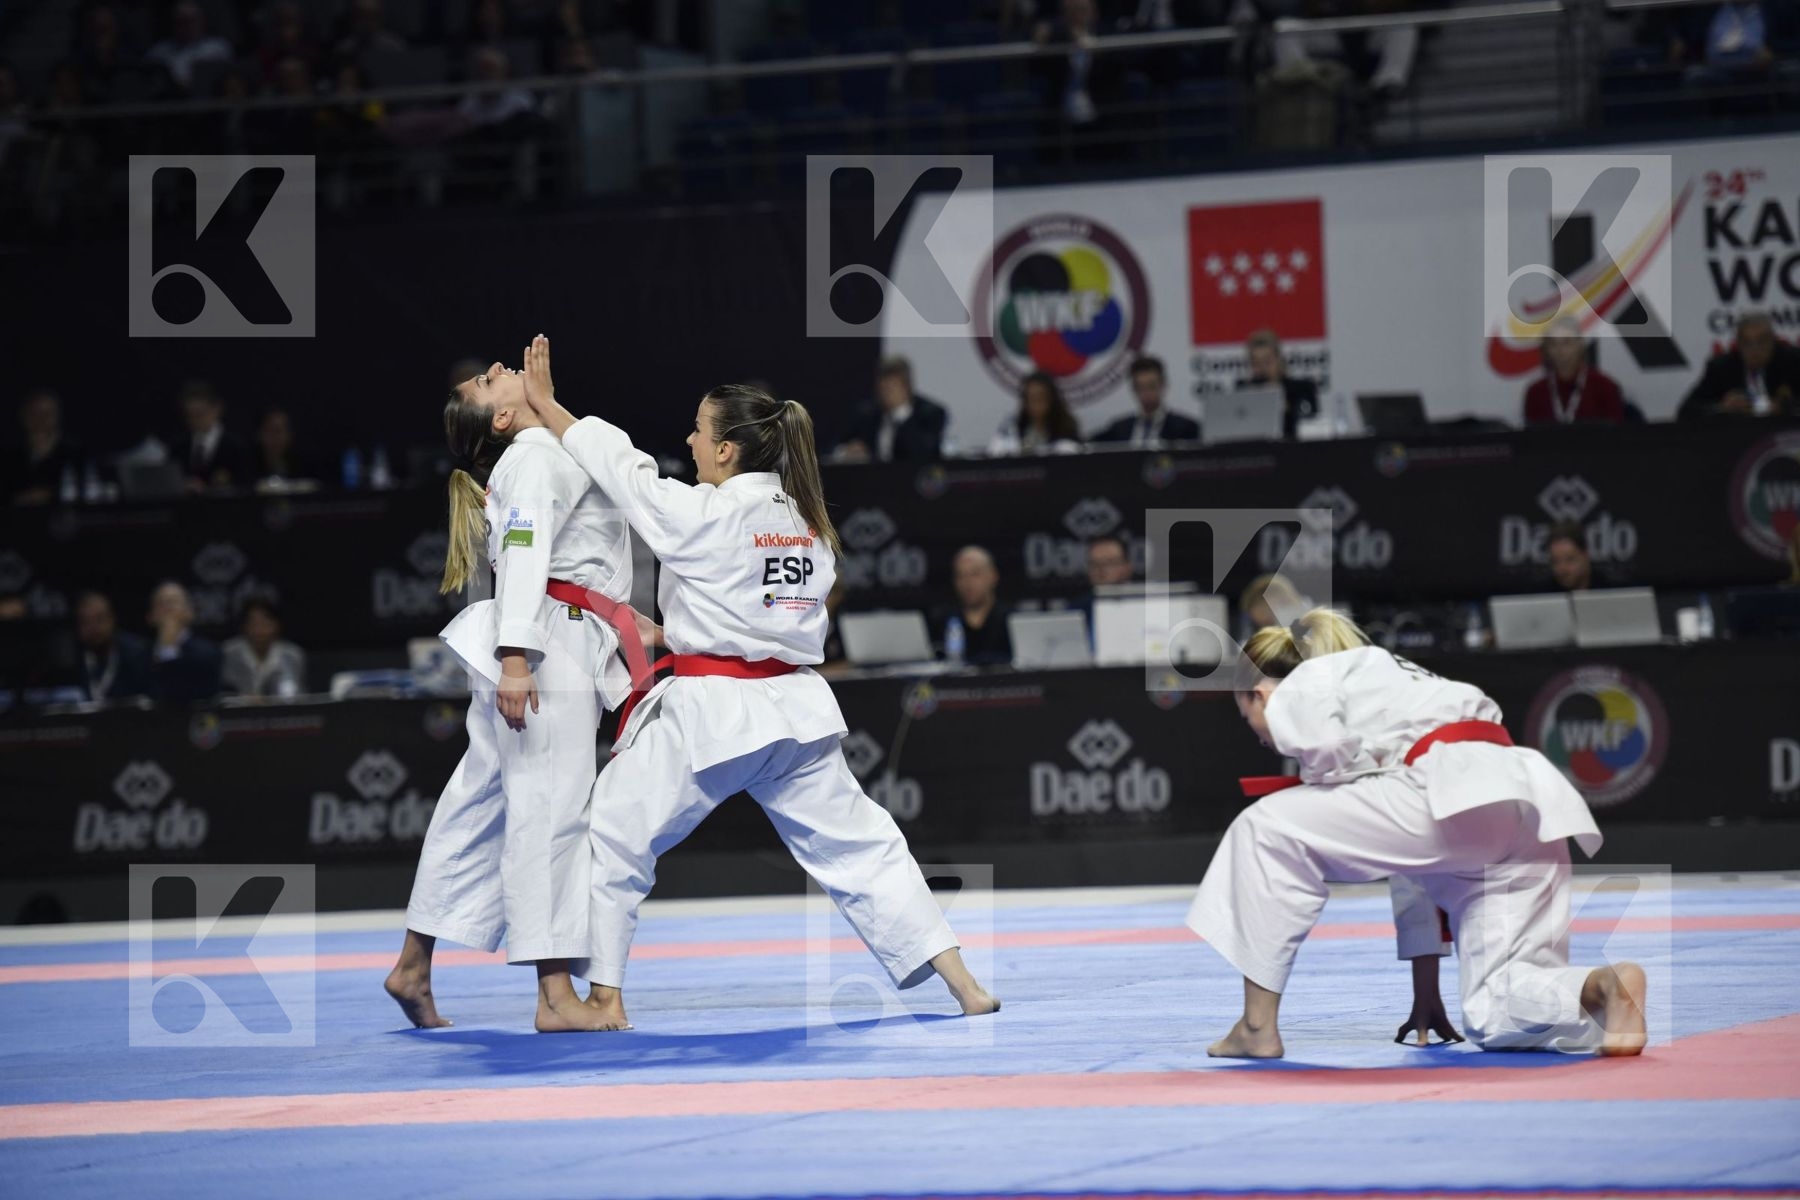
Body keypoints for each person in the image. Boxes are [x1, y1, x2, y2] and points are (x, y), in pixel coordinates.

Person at [516, 335, 998, 1029]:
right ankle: (964, 984)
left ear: (725, 450)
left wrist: (549, 406)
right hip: (794, 715)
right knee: (866, 847)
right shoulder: (807, 525)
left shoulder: (704, 514)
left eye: (697, 430)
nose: (688, 439)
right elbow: (764, 617)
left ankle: (605, 997)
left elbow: (621, 468)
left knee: (615, 834)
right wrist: (677, 634)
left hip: (715, 714)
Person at [1187, 607, 1647, 1057]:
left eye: (1248, 716)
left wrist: (1324, 780)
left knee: (1263, 828)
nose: (1261, 736)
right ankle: (1602, 986)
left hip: (1454, 791)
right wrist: (1425, 991)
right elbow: (1413, 863)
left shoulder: (1306, 681)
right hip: (1524, 801)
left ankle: (1256, 1026)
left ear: (1258, 695)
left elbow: (1327, 748)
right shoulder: (1391, 682)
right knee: (1494, 1010)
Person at [386, 356, 636, 1034]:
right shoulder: (533, 455)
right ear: (501, 416)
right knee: (548, 810)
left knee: (481, 800)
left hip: (541, 634)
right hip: (542, 649)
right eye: (487, 381)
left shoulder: (546, 448)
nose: (496, 367)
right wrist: (517, 659)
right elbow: (524, 555)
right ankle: (554, 995)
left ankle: (413, 963)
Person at [1679, 311, 1800, 420]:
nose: (1755, 349)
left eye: (1762, 341)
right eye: (1747, 342)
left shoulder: (1793, 361)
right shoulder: (1721, 367)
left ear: (1773, 341)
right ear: (1738, 344)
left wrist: (1784, 407)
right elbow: (1686, 410)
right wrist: (1722, 407)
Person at [836, 356, 948, 463]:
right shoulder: (868, 414)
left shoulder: (931, 414)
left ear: (906, 387)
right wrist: (848, 451)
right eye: (882, 388)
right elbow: (841, 445)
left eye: (891, 387)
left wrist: (900, 412)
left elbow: (923, 454)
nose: (885, 394)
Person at [1521, 318, 1628, 426]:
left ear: (1580, 345)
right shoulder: (1535, 393)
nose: (1560, 350)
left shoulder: (1606, 387)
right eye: (1553, 344)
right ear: (1546, 350)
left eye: (1567, 342)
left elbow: (1616, 433)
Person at [1089, 356, 1201, 446]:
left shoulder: (1184, 428)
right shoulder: (1119, 429)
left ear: (1163, 386)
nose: (1146, 393)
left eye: (1151, 386)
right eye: (1140, 387)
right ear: (1134, 390)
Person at [145, 582, 222, 703]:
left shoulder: (207, 653)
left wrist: (168, 648)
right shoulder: (139, 652)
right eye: (161, 603)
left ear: (190, 612)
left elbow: (177, 694)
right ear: (151, 616)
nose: (168, 608)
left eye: (173, 602)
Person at [74, 591, 153, 703]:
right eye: (86, 622)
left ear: (112, 619)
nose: (93, 628)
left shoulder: (137, 653)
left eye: (99, 619)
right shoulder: (75, 657)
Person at [220, 598, 308, 698]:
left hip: (280, 707)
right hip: (240, 707)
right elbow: (224, 695)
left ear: (277, 625)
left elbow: (299, 696)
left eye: (265, 624)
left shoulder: (293, 655)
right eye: (254, 624)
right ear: (244, 626)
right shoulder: (229, 653)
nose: (259, 630)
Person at [1241, 329, 1319, 440]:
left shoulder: (1302, 389)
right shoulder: (1244, 392)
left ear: (1279, 360)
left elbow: (1310, 425)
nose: (1262, 368)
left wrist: (1285, 407)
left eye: (1267, 362)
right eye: (1256, 363)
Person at [176, 381, 253, 492]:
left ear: (216, 409)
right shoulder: (178, 447)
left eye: (200, 414)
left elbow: (246, 485)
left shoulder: (236, 447)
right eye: (189, 416)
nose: (194, 421)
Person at [942, 545, 1013, 666]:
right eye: (961, 576)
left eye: (975, 574)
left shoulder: (1011, 620)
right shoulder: (944, 621)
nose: (967, 582)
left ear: (993, 576)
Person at [10, 389, 83, 505]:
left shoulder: (76, 454)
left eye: (48, 413)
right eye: (34, 412)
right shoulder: (9, 456)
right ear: (23, 416)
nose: (41, 419)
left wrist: (52, 494)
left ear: (58, 416)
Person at [989, 371, 1082, 456]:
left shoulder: (1067, 427)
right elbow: (996, 450)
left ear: (1052, 399)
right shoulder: (1013, 425)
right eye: (1031, 398)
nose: (1036, 404)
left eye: (1040, 397)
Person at [1546, 521, 1592, 592]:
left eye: (1569, 559)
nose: (1562, 569)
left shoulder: (1608, 589)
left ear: (1585, 556)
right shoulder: (1541, 594)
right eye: (1556, 561)